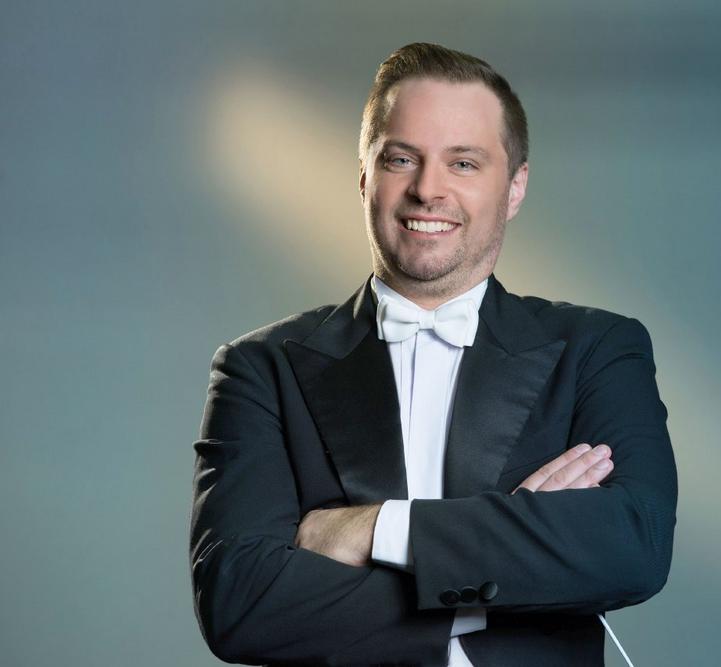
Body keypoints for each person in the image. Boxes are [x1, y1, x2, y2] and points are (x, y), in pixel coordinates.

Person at [190, 42, 677, 666]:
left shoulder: (598, 349)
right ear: (364, 176)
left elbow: (633, 547)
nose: (427, 189)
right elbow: (239, 605)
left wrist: (376, 529)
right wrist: (511, 555)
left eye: (463, 163)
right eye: (401, 159)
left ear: (515, 187)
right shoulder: (260, 369)